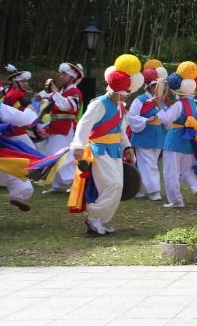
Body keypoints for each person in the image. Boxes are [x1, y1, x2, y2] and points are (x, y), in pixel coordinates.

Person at [70, 55, 141, 235]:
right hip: (99, 151)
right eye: (124, 93)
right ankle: (94, 218)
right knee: (112, 185)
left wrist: (127, 147)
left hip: (115, 151)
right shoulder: (99, 104)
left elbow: (121, 131)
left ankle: (100, 220)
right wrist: (78, 147)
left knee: (117, 186)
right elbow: (84, 124)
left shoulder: (121, 106)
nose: (125, 95)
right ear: (115, 90)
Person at [158, 61, 197, 208]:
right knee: (186, 170)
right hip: (188, 140)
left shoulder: (178, 104)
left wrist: (160, 110)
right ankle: (194, 188)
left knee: (171, 172)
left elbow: (167, 119)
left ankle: (176, 201)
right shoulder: (193, 104)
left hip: (174, 139)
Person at [0, 69, 40, 210]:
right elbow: (25, 119)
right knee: (13, 168)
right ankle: (19, 194)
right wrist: (30, 108)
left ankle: (19, 194)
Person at [38, 63, 84, 192]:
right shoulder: (62, 91)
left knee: (64, 156)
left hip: (66, 128)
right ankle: (57, 185)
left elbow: (68, 106)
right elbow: (55, 103)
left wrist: (54, 92)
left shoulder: (75, 92)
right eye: (61, 74)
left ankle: (74, 182)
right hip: (56, 126)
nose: (61, 76)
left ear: (72, 77)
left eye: (64, 74)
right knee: (53, 154)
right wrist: (43, 98)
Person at [128, 62, 168, 201]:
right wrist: (146, 120)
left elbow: (166, 118)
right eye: (156, 85)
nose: (159, 88)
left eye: (160, 85)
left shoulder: (160, 101)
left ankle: (139, 188)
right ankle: (154, 191)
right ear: (149, 86)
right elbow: (132, 117)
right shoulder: (140, 100)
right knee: (149, 164)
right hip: (143, 136)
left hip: (158, 136)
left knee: (147, 164)